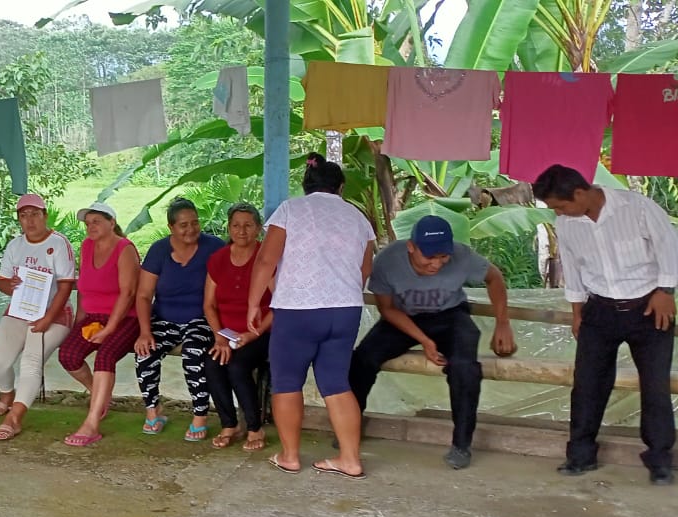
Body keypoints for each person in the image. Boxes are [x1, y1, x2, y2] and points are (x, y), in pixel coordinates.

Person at [533, 164, 678, 486]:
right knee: (587, 384)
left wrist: (666, 291)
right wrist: (577, 312)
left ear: (580, 193)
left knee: (655, 385)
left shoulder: (638, 208)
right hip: (599, 310)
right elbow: (573, 269)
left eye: (561, 205)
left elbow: (669, 246)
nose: (559, 212)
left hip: (648, 307)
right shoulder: (567, 224)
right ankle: (580, 455)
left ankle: (659, 461)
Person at [348, 215, 516, 470]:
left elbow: (494, 277)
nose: (436, 264)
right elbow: (387, 309)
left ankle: (461, 445)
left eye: (443, 257)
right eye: (429, 257)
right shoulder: (388, 260)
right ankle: (350, 425)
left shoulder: (462, 255)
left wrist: (502, 323)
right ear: (411, 247)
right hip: (403, 318)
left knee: (465, 368)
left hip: (451, 317)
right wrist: (424, 341)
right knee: (362, 359)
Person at [246, 152, 375, 480]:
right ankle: (350, 459)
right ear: (341, 187)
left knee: (287, 382)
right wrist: (341, 295)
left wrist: (253, 304)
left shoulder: (290, 210)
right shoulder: (359, 218)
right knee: (336, 383)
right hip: (345, 310)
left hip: (297, 310)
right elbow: (364, 270)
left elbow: (265, 261)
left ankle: (290, 456)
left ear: (305, 186)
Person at [0, 194, 77, 441]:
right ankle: (7, 395)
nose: (30, 220)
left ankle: (14, 418)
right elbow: (3, 282)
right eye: (23, 215)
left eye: (35, 214)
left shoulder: (59, 243)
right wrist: (10, 286)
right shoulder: (15, 245)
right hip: (20, 309)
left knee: (30, 361)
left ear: (45, 216)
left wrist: (48, 318)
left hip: (56, 313)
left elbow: (66, 286)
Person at [134, 198, 224, 441]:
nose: (191, 229)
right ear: (171, 227)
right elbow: (143, 295)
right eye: (183, 225)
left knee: (194, 351)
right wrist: (145, 332)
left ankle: (200, 415)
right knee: (145, 352)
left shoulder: (214, 247)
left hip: (202, 317)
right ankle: (153, 411)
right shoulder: (159, 251)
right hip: (165, 318)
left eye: (195, 223)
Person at [58, 202, 141, 447]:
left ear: (111, 223)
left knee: (105, 356)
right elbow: (83, 287)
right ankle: (99, 395)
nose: (90, 227)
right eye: (87, 223)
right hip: (93, 317)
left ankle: (92, 423)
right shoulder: (87, 246)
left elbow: (128, 293)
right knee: (68, 354)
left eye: (96, 221)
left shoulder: (125, 248)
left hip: (126, 318)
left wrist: (110, 328)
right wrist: (78, 322)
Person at [204, 203, 274, 451]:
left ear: (258, 228)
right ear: (229, 228)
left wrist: (252, 334)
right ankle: (229, 425)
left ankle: (255, 428)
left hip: (261, 331)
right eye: (236, 225)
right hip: (226, 333)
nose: (241, 231)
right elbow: (209, 305)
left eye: (248, 225)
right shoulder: (218, 259)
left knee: (237, 366)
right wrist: (220, 338)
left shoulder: (266, 257)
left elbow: (278, 305)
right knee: (212, 363)